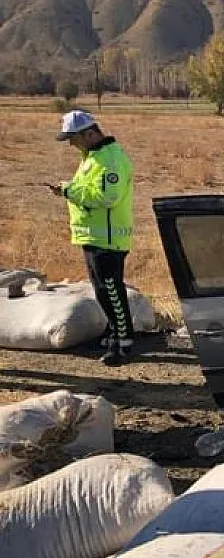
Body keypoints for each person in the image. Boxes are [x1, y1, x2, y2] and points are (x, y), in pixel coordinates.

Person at [48, 110, 135, 366]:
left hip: (108, 239)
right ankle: (114, 331)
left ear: (90, 133)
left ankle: (124, 341)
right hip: (93, 236)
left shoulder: (110, 161)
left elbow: (107, 197)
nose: (71, 144)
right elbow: (90, 190)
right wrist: (69, 188)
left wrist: (69, 190)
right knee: (101, 291)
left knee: (112, 291)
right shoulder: (92, 157)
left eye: (73, 138)